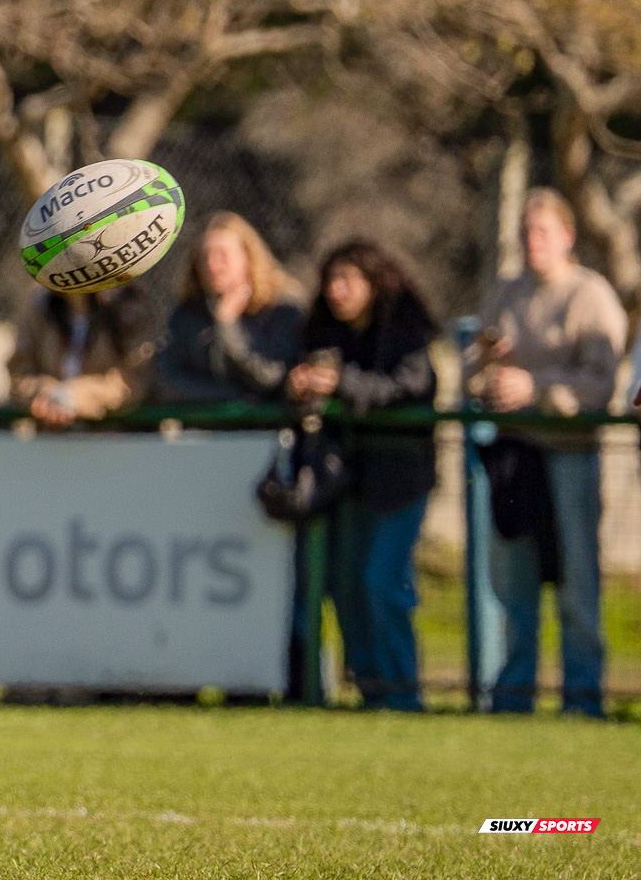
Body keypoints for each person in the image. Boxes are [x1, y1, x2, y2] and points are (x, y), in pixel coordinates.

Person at [468, 188, 624, 716]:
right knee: (514, 584)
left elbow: (601, 383)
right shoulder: (507, 292)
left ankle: (583, 696)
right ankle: (512, 696)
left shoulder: (590, 295)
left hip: (569, 455)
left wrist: (536, 388)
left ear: (568, 236)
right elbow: (470, 369)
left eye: (542, 231)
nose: (532, 241)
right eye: (525, 231)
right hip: (515, 457)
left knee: (578, 580)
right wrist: (489, 374)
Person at [286, 241, 437, 712]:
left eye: (348, 280)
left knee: (382, 583)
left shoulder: (405, 332)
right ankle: (372, 691)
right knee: (346, 587)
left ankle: (403, 694)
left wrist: (342, 384)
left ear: (374, 283)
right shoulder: (323, 333)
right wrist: (300, 385)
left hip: (401, 479)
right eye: (332, 280)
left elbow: (413, 386)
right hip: (348, 481)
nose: (337, 290)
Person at [155, 211, 303, 404]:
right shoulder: (187, 314)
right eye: (204, 256)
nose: (212, 264)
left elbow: (270, 377)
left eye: (222, 254)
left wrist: (227, 325)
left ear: (248, 256)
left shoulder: (282, 309)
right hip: (207, 420)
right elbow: (170, 376)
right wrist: (228, 397)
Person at [7, 287, 152, 427]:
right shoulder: (39, 306)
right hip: (51, 438)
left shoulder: (125, 307)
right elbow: (19, 372)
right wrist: (46, 392)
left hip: (110, 436)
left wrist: (74, 396)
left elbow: (133, 382)